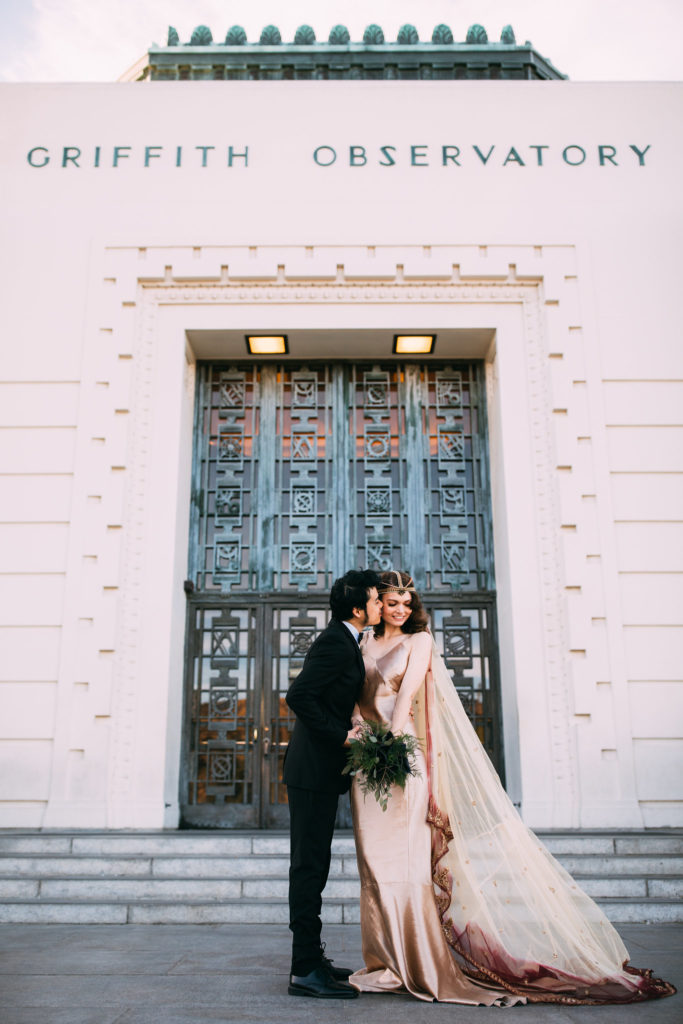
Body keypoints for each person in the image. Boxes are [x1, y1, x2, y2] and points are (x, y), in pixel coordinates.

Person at [349, 570, 675, 1005]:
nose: (401, 609)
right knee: (373, 865)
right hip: (367, 764)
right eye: (393, 602)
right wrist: (358, 728)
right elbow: (356, 694)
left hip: (400, 757)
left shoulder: (420, 641)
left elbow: (406, 696)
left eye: (408, 603)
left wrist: (389, 741)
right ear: (378, 605)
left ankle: (417, 963)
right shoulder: (364, 642)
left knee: (407, 865)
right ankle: (385, 963)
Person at [283, 568, 382, 999]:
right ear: (359, 608)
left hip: (321, 774)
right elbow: (299, 696)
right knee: (309, 869)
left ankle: (311, 958)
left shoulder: (347, 640)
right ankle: (304, 969)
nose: (381, 606)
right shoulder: (335, 644)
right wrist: (343, 734)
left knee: (314, 867)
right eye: (377, 600)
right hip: (311, 773)